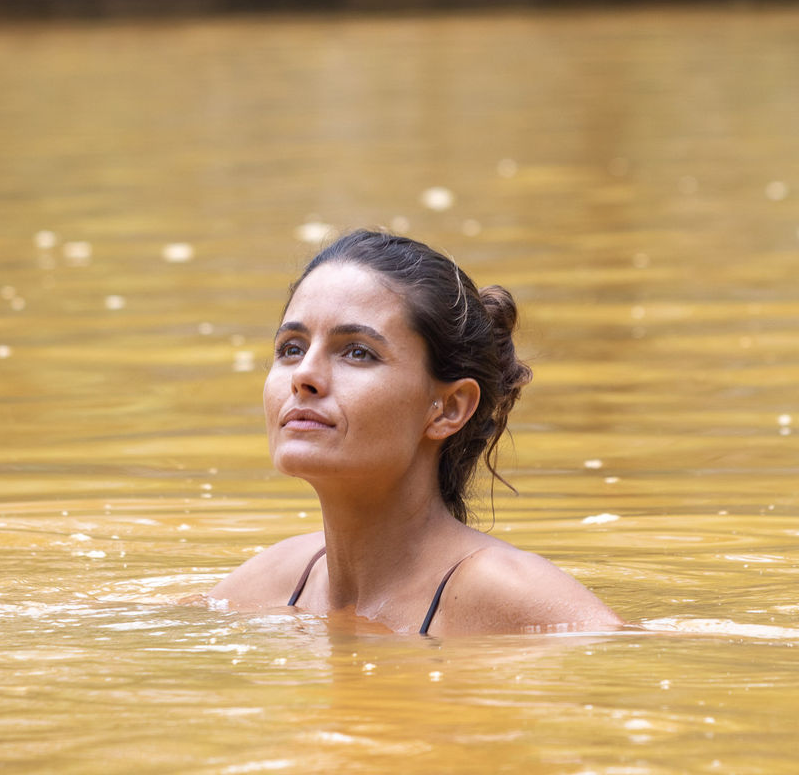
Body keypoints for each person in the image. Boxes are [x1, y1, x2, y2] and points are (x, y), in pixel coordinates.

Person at [209, 230, 621, 636]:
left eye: (357, 352)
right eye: (291, 348)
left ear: (448, 407)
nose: (303, 376)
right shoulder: (280, 579)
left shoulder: (507, 593)